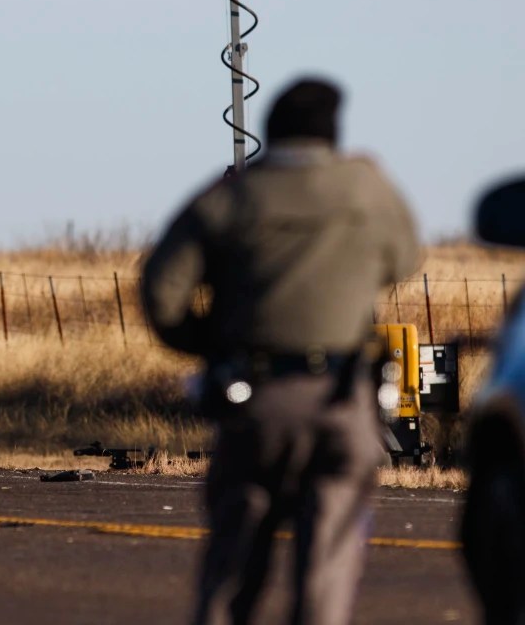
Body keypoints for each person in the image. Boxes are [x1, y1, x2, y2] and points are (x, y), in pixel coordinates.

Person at [140, 77, 420, 624]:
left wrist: (210, 344)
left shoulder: (231, 197)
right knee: (327, 570)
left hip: (256, 396)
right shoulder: (366, 188)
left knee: (235, 563)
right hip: (343, 397)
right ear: (333, 133)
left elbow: (162, 292)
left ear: (270, 129)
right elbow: (405, 258)